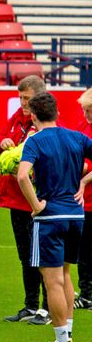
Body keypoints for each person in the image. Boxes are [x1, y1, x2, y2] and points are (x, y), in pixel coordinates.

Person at [18, 92, 92, 342]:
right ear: (57, 113)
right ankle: (67, 333)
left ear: (33, 115)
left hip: (51, 217)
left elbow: (23, 176)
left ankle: (61, 341)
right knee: (65, 274)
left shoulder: (35, 140)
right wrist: (83, 183)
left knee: (52, 281)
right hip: (75, 216)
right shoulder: (76, 136)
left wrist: (37, 206)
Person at [0, 76, 50, 324]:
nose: (23, 102)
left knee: (43, 256)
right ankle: (30, 305)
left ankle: (46, 308)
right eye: (21, 97)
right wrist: (3, 142)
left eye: (27, 98)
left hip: (35, 201)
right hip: (15, 199)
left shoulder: (45, 125)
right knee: (25, 255)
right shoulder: (17, 118)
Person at [75, 88, 92, 311]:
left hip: (88, 198)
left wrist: (84, 176)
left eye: (89, 110)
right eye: (85, 110)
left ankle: (88, 295)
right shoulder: (82, 127)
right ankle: (87, 290)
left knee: (87, 249)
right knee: (83, 249)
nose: (86, 114)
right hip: (83, 200)